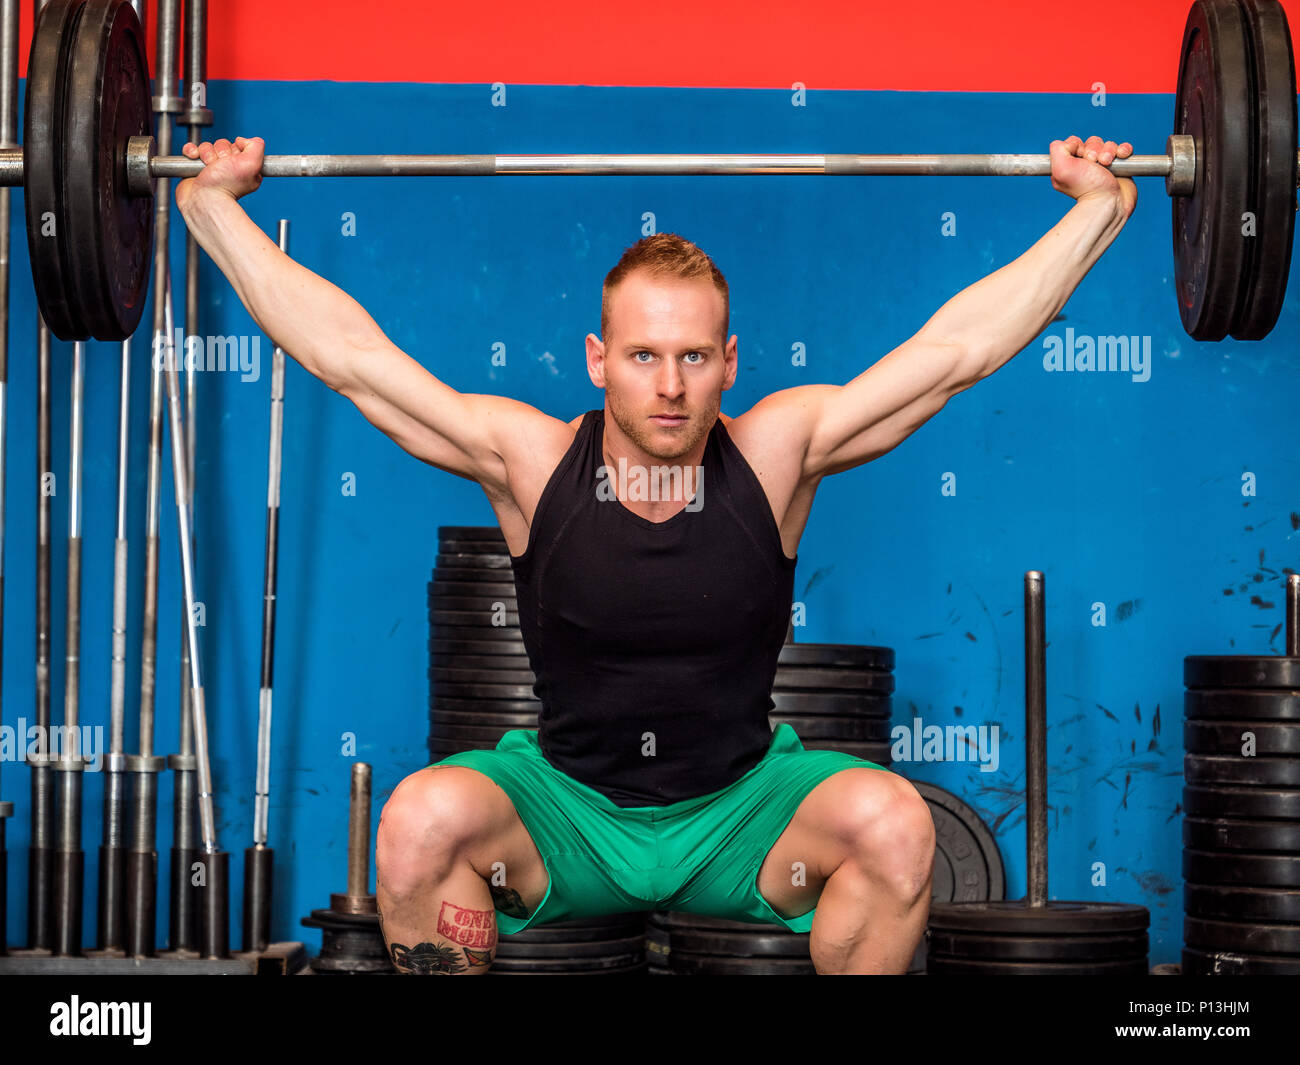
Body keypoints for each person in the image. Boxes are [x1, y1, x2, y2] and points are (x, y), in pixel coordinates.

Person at [176, 132, 1136, 974]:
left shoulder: (777, 452)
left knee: (894, 820)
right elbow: (350, 358)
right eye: (643, 356)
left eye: (692, 357)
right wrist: (211, 210)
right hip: (564, 817)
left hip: (744, 819)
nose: (669, 385)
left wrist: (1092, 216)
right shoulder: (530, 458)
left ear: (728, 359)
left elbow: (954, 353)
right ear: (598, 359)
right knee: (421, 818)